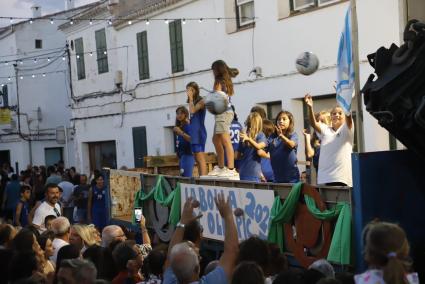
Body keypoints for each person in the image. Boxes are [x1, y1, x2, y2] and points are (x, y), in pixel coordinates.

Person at [163, 193, 239, 284]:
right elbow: (231, 252)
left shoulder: (169, 281)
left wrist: (182, 222)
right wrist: (228, 216)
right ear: (197, 268)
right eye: (198, 257)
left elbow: (170, 257)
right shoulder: (211, 281)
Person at [305, 94, 354, 186]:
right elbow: (313, 123)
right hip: (325, 177)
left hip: (342, 178)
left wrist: (345, 100)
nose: (337, 115)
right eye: (334, 113)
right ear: (330, 117)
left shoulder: (347, 129)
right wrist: (310, 107)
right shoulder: (326, 129)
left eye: (340, 113)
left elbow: (349, 118)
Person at [207, 60, 239, 179]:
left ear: (217, 70)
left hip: (223, 113)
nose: (212, 73)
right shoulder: (226, 80)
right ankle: (220, 167)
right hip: (224, 112)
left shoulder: (219, 81)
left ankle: (230, 168)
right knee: (216, 139)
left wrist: (209, 96)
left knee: (225, 140)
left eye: (213, 70)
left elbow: (216, 97)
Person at [269, 111, 300, 183]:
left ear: (290, 121)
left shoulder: (293, 135)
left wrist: (281, 136)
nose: (281, 121)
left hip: (292, 179)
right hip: (277, 179)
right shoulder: (272, 137)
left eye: (284, 119)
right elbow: (263, 148)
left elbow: (291, 144)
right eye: (279, 119)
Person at [236, 112, 267, 182]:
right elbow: (259, 146)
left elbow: (237, 156)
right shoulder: (260, 135)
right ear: (259, 124)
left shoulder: (244, 136)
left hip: (243, 171)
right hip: (254, 173)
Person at [186, 82, 207, 176]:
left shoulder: (201, 101)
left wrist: (190, 98)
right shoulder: (192, 102)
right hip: (194, 133)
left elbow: (192, 110)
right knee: (196, 158)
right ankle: (200, 176)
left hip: (198, 133)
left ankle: (204, 179)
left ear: (196, 90)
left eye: (191, 90)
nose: (189, 92)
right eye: (187, 90)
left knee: (200, 158)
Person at [173, 106, 195, 178]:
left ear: (185, 114)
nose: (179, 115)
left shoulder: (188, 126)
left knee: (186, 178)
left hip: (188, 155)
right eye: (177, 113)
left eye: (181, 113)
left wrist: (181, 132)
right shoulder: (179, 126)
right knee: (183, 177)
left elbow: (192, 139)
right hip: (181, 156)